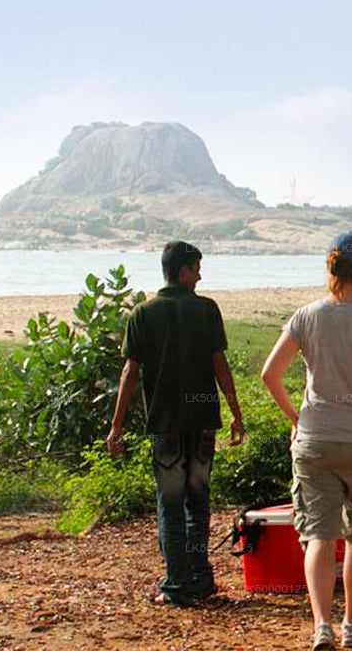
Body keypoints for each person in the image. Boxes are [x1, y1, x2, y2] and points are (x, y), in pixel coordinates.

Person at [260, 231, 352, 651]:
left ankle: (321, 625)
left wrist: (296, 418)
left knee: (318, 536)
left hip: (315, 438)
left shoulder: (305, 317)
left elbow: (270, 374)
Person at [107, 240, 245, 607]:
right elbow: (220, 366)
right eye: (197, 268)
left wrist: (116, 426)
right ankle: (199, 577)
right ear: (182, 271)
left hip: (165, 424)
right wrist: (235, 412)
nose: (200, 275)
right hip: (202, 424)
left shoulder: (142, 313)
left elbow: (129, 373)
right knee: (197, 501)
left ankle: (176, 584)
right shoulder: (206, 310)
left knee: (169, 503)